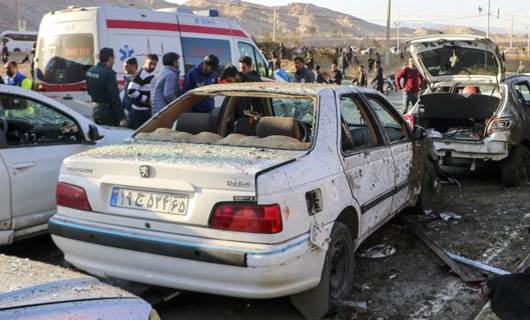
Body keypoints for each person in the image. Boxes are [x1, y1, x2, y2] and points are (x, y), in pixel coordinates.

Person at [85, 48, 126, 127]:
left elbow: (89, 91)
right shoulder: (109, 73)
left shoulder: (90, 70)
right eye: (114, 58)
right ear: (109, 58)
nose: (114, 60)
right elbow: (115, 98)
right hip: (108, 112)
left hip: (95, 109)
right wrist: (122, 117)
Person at [127, 54, 158, 129]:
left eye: (155, 64)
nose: (152, 66)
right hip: (139, 113)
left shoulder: (147, 74)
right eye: (150, 63)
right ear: (145, 61)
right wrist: (147, 100)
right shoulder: (141, 74)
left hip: (144, 111)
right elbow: (131, 91)